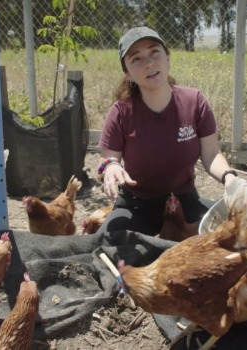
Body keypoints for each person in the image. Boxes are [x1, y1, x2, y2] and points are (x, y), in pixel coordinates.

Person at [97, 26, 238, 235]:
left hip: (184, 201)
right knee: (108, 243)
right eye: (136, 59)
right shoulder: (120, 112)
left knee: (232, 234)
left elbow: (211, 154)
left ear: (167, 57)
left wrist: (229, 177)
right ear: (127, 74)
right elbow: (107, 161)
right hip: (136, 206)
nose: (149, 63)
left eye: (154, 52)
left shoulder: (195, 102)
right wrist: (110, 168)